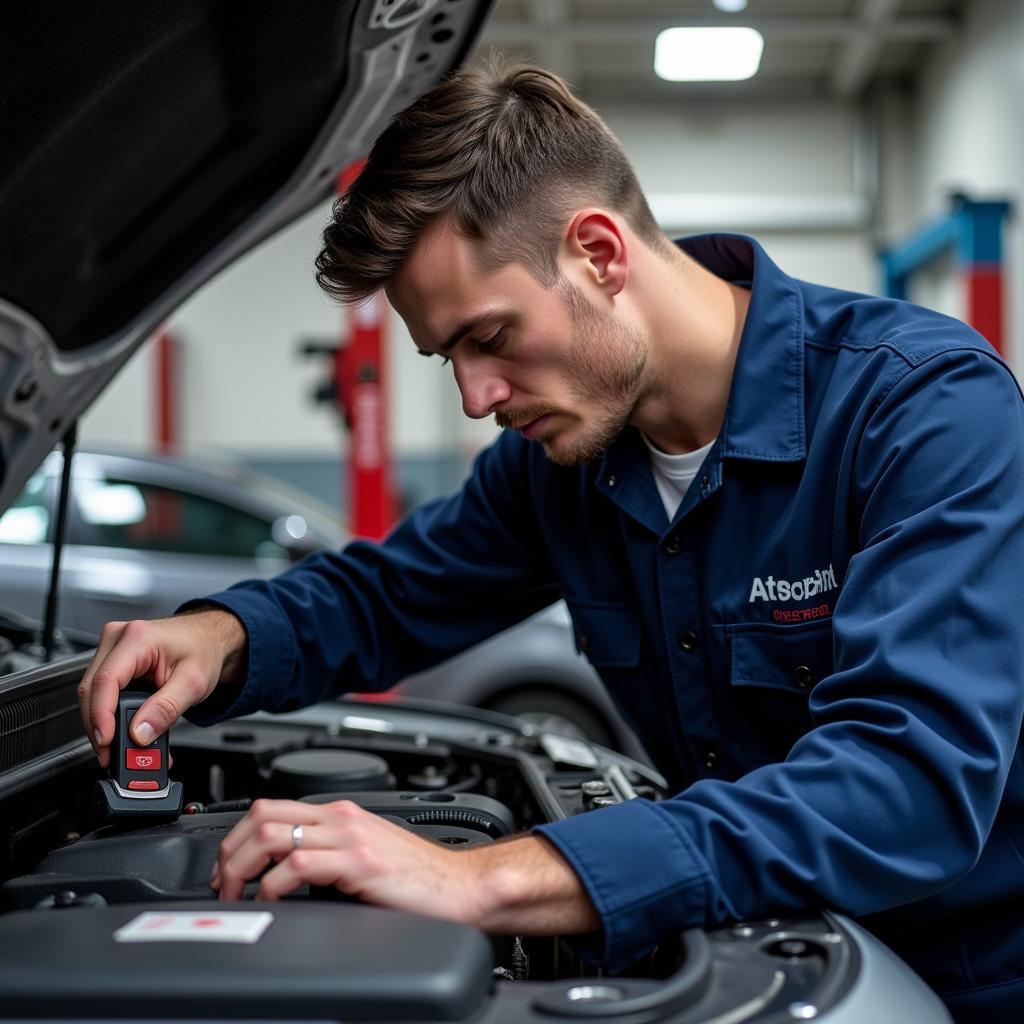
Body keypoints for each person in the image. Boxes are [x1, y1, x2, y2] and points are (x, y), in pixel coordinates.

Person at [77, 61, 1024, 1020]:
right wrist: (224, 636)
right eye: (448, 356)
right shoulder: (564, 464)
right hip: (750, 950)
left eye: (489, 335)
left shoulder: (922, 410)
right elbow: (391, 593)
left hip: (962, 983)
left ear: (600, 254)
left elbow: (907, 781)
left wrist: (485, 878)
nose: (475, 397)